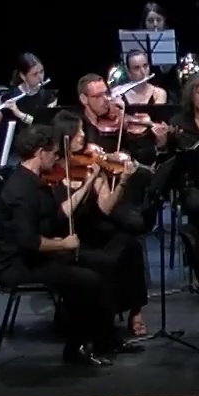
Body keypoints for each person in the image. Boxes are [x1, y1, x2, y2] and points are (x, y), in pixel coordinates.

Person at [0, 125, 122, 366]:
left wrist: (89, 182)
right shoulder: (21, 190)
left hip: (36, 257)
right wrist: (63, 244)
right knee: (86, 280)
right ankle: (77, 348)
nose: (57, 158)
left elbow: (57, 215)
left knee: (105, 263)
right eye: (53, 153)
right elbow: (29, 242)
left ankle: (106, 338)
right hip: (20, 264)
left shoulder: (35, 181)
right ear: (41, 153)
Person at [51, 110, 153, 341]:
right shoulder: (54, 171)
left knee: (130, 245)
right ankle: (102, 320)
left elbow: (105, 207)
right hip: (70, 236)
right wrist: (87, 183)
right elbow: (62, 213)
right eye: (78, 132)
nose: (83, 137)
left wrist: (123, 181)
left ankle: (135, 311)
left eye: (83, 131)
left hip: (95, 228)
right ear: (65, 136)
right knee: (107, 261)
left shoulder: (90, 165)